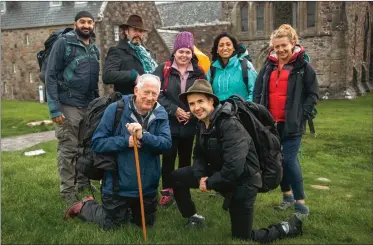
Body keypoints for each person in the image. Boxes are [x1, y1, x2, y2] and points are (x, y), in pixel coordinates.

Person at [170, 79, 303, 242]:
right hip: (221, 172)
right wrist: (200, 177)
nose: (196, 107)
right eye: (192, 104)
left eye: (200, 101)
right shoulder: (203, 123)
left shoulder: (229, 123)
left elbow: (234, 167)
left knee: (242, 237)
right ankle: (193, 218)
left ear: (211, 101)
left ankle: (286, 227)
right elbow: (198, 154)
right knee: (177, 177)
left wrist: (210, 182)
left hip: (244, 181)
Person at [63, 74, 172, 230]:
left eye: (154, 93)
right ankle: (85, 206)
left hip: (146, 187)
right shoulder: (116, 109)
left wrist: (144, 136)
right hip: (117, 186)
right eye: (146, 92)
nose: (150, 97)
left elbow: (166, 145)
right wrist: (125, 141)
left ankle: (128, 210)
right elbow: (98, 143)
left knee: (145, 224)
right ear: (136, 90)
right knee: (112, 225)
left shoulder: (161, 114)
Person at [254, 24, 319, 219]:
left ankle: (301, 204)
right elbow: (257, 92)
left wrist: (302, 114)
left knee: (289, 161)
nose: (280, 50)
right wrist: (258, 111)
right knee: (278, 161)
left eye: (284, 45)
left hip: (292, 123)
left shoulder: (303, 67)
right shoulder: (268, 67)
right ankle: (287, 196)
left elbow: (313, 94)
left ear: (293, 44)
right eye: (276, 47)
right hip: (270, 124)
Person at [45, 11, 100, 205]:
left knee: (85, 149)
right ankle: (68, 191)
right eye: (82, 22)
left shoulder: (94, 47)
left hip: (88, 105)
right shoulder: (64, 44)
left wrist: (96, 107)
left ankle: (83, 182)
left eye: (90, 22)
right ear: (75, 23)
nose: (86, 25)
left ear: (93, 24)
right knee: (68, 149)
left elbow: (94, 81)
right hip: (67, 104)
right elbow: (50, 75)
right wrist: (54, 108)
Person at [153, 32, 206, 206]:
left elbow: (205, 94)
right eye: (181, 51)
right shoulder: (164, 69)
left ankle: (182, 189)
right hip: (169, 122)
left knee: (185, 158)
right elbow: (157, 95)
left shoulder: (199, 72)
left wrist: (192, 111)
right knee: (168, 157)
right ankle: (167, 190)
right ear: (174, 52)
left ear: (192, 53)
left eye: (187, 52)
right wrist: (174, 110)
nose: (184, 55)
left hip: (190, 122)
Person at [102, 14, 158, 95]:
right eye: (135, 30)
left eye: (140, 31)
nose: (138, 34)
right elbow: (107, 75)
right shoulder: (117, 51)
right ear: (126, 31)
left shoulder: (146, 53)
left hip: (148, 99)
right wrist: (133, 76)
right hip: (127, 101)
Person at [207, 33, 257, 103]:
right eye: (221, 45)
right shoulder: (212, 69)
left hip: (242, 112)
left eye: (228, 44)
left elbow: (255, 91)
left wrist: (246, 108)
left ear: (233, 48)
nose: (225, 48)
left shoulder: (245, 65)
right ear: (217, 50)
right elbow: (207, 94)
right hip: (218, 112)